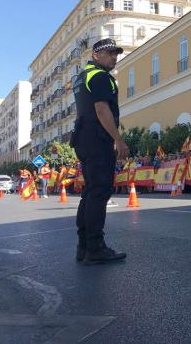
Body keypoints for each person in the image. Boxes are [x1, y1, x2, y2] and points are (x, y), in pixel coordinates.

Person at [70, 38, 128, 265]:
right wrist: (119, 140)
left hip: (84, 139)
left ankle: (84, 247)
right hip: (97, 139)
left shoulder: (82, 76)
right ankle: (95, 248)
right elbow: (102, 110)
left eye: (116, 53)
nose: (114, 57)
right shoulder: (101, 76)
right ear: (96, 55)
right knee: (99, 193)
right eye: (109, 53)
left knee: (90, 193)